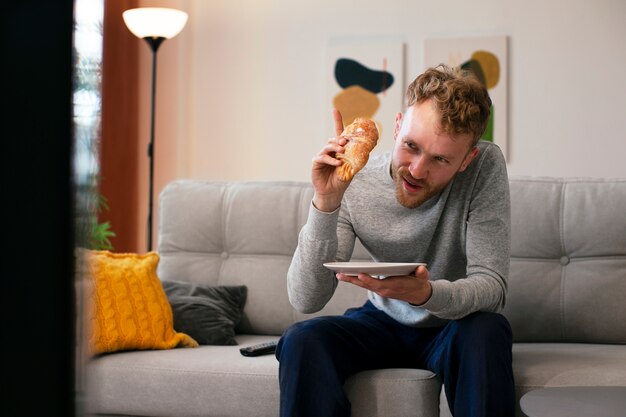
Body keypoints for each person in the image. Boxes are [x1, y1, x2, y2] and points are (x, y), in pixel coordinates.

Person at [276, 64, 515, 417]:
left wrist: (427, 294)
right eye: (411, 146)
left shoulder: (485, 167)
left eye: (440, 159)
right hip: (380, 321)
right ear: (399, 125)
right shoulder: (353, 177)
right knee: (301, 339)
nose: (417, 170)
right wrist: (326, 202)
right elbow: (305, 298)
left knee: (487, 330)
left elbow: (492, 286)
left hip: (454, 324)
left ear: (467, 160)